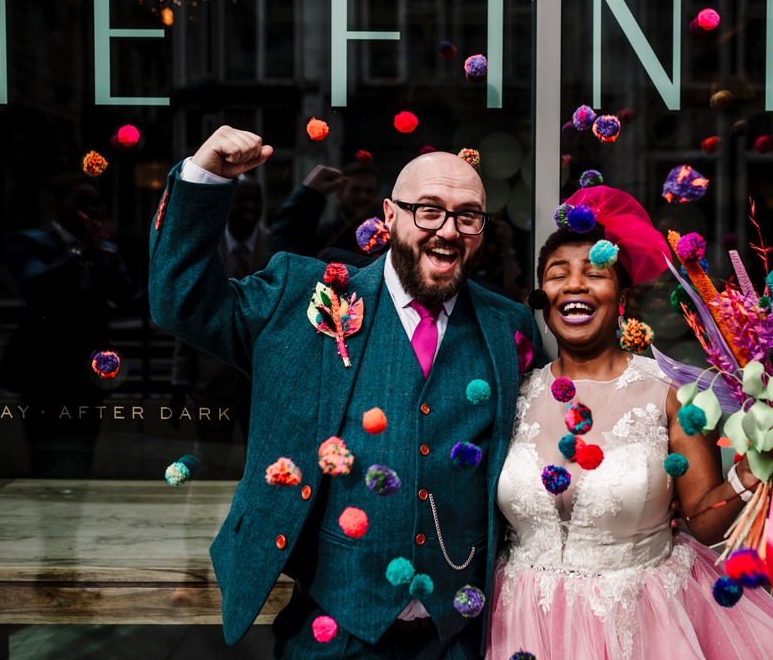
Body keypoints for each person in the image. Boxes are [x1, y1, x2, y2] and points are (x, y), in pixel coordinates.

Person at [148, 126, 543, 659]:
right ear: (389, 215)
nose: (448, 230)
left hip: (461, 635)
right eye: (428, 210)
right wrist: (205, 177)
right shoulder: (302, 297)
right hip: (332, 630)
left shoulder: (508, 326)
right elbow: (181, 300)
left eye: (467, 215)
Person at [486, 187, 773, 660]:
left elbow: (703, 520)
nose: (575, 285)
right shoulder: (513, 392)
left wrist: (751, 471)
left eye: (594, 274)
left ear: (622, 295)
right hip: (520, 623)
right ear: (542, 297)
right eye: (558, 275)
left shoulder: (670, 393)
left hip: (644, 624)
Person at [1, 172, 143, 477]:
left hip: (87, 376)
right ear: (56, 204)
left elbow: (132, 301)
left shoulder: (106, 254)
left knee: (81, 457)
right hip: (41, 371)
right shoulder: (27, 243)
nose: (90, 211)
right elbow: (35, 284)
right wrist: (81, 251)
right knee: (43, 456)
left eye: (95, 205)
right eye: (81, 202)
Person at [170, 175, 270, 477]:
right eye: (242, 200)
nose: (250, 207)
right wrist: (179, 381)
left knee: (264, 468)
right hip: (212, 385)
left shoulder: (276, 245)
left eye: (256, 200)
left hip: (264, 382)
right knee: (212, 467)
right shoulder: (206, 249)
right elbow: (189, 314)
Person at [269, 161, 382, 266]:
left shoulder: (391, 238)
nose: (363, 197)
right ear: (339, 196)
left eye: (370, 191)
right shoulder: (322, 236)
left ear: (378, 196)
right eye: (355, 190)